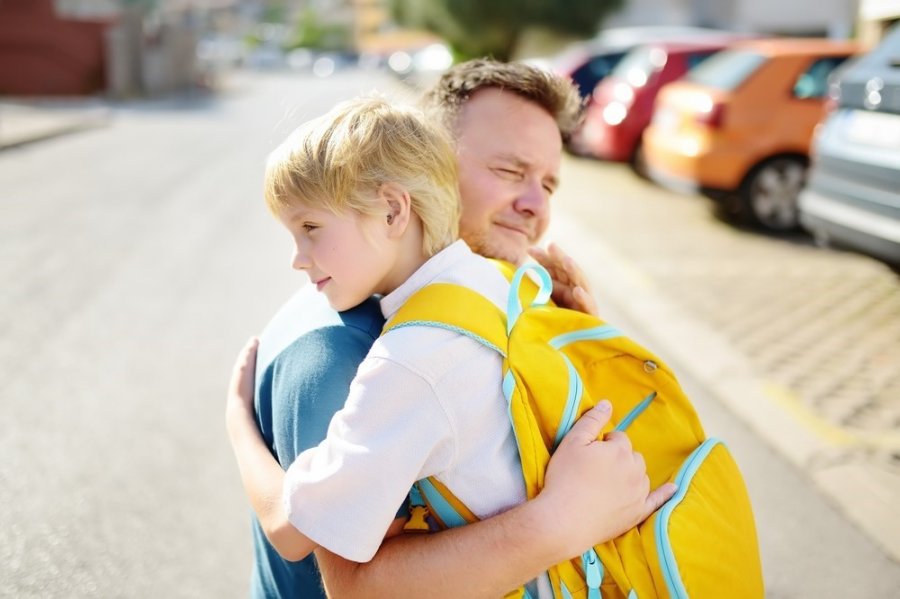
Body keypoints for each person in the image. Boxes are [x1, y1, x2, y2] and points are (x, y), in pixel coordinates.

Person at [227, 59, 675, 599]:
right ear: (429, 163)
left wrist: (575, 341)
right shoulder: (347, 348)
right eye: (510, 171)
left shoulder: (501, 299)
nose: (536, 206)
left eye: (549, 185)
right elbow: (342, 575)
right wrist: (560, 522)